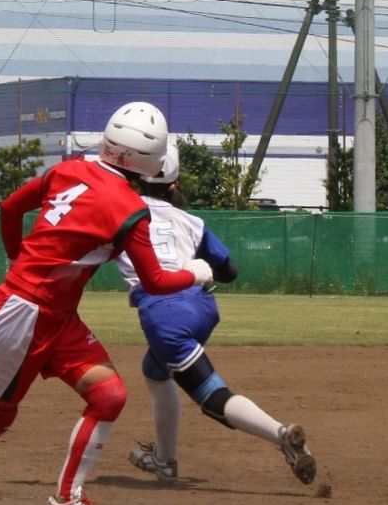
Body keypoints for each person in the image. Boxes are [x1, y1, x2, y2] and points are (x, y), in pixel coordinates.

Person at [0, 102, 215, 505]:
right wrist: (196, 271)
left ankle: (66, 500)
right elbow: (154, 281)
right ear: (151, 162)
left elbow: (9, 209)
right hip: (22, 316)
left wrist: (16, 261)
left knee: (108, 395)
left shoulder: (72, 169)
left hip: (52, 315)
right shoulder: (129, 209)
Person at [117, 146, 316, 485]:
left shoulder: (119, 212)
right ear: (174, 184)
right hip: (202, 306)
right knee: (155, 369)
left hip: (166, 317)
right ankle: (163, 460)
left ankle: (281, 433)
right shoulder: (192, 221)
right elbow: (230, 271)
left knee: (212, 397)